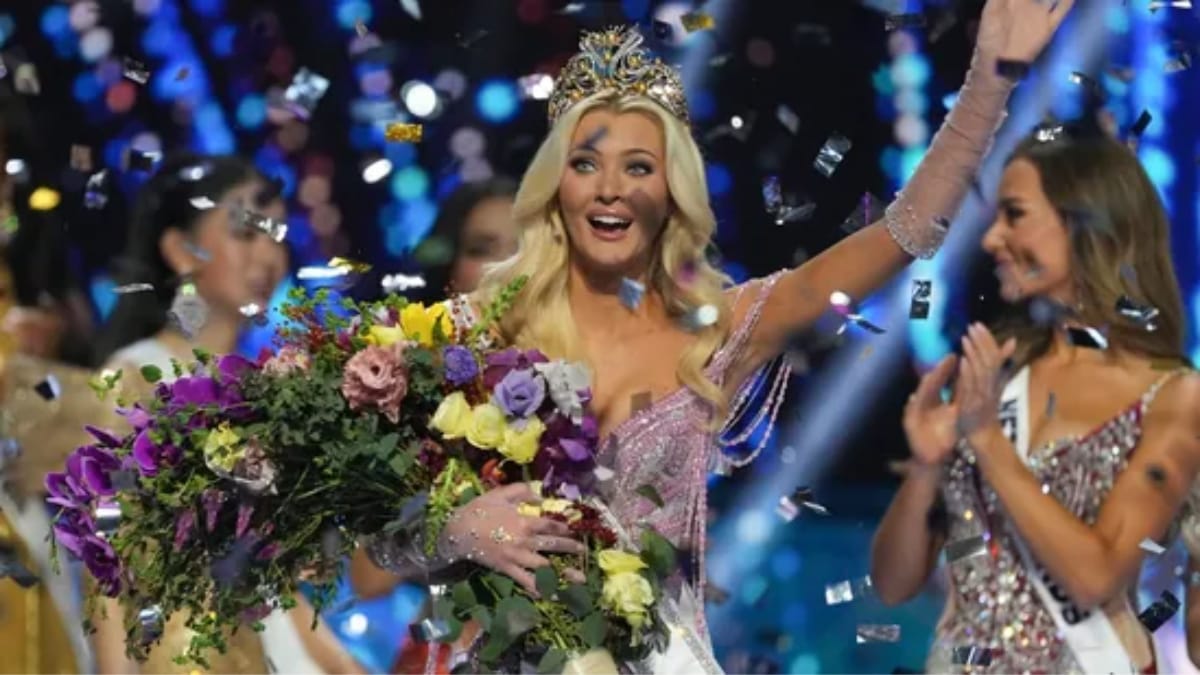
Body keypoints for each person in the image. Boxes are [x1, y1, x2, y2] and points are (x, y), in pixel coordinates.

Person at [363, 1, 1075, 670]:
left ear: (670, 191)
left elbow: (904, 232)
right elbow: (377, 540)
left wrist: (988, 85)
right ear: (557, 187)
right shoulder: (472, 334)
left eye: (638, 167)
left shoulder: (718, 329)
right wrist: (454, 532)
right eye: (585, 164)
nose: (610, 188)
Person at [870, 124, 1200, 672]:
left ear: (1086, 223)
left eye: (1015, 215)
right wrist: (926, 467)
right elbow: (892, 584)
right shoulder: (995, 373)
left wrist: (986, 440)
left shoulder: (1174, 395)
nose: (991, 239)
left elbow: (1095, 578)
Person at [83, 152, 365, 675]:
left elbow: (275, 582)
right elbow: (105, 561)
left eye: (276, 236)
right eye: (245, 233)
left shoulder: (268, 389)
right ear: (179, 250)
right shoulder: (134, 378)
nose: (268, 256)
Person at [351, 176, 519, 673]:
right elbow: (368, 577)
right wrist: (454, 531)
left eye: (521, 250)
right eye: (482, 249)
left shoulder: (586, 385)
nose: (501, 270)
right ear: (450, 269)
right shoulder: (411, 399)